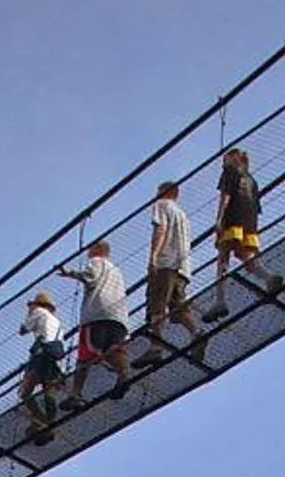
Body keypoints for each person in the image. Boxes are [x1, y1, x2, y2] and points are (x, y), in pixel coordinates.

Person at [205, 148, 278, 315]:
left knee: (223, 258)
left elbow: (225, 197)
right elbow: (256, 206)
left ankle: (220, 300)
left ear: (233, 158)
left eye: (225, 160)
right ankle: (268, 277)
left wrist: (219, 219)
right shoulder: (252, 179)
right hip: (250, 223)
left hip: (233, 219)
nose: (223, 164)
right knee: (244, 255)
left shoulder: (229, 171)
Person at [61, 238, 131, 402]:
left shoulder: (96, 262)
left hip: (96, 314)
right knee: (113, 348)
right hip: (118, 316)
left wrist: (70, 273)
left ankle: (75, 394)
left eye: (90, 248)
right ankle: (124, 373)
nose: (88, 252)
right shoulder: (116, 270)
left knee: (85, 356)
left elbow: (91, 277)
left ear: (97, 249)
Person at [144, 180, 200, 350]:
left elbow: (161, 229)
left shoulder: (161, 205)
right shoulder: (182, 215)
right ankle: (196, 332)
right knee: (178, 308)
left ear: (164, 192)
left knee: (156, 306)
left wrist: (154, 256)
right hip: (182, 267)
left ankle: (156, 347)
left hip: (166, 263)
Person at [20, 288, 67, 432]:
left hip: (41, 354)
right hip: (56, 358)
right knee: (49, 391)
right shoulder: (57, 321)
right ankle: (51, 422)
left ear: (37, 304)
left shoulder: (38, 312)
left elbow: (23, 330)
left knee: (25, 392)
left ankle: (40, 420)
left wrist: (30, 313)